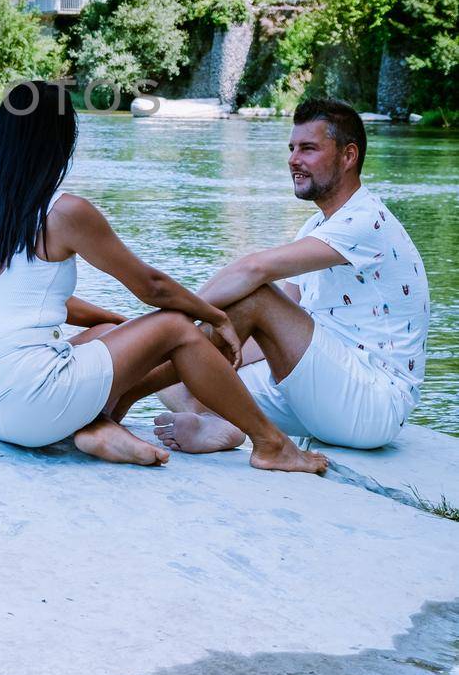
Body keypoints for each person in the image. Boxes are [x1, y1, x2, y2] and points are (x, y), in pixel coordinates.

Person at [0, 80, 326, 474]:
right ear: (58, 144)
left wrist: (121, 328)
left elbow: (37, 302)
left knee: (104, 332)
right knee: (175, 327)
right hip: (28, 400)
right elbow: (152, 287)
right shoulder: (64, 213)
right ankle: (271, 444)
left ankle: (95, 426)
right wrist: (214, 316)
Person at [154, 97, 429, 456]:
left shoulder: (365, 221)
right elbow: (272, 328)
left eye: (309, 149)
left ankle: (118, 396)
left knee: (247, 299)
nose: (293, 160)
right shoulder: (316, 225)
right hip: (320, 386)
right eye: (292, 148)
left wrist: (171, 319)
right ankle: (222, 422)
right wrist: (198, 352)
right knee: (177, 368)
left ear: (348, 156)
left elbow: (254, 272)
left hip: (371, 400)